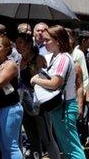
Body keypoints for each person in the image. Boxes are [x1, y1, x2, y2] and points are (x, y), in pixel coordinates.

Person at [32, 26, 86, 159]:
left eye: (47, 40)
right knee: (67, 148)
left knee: (73, 149)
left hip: (65, 108)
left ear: (58, 41)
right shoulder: (57, 58)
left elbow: (55, 83)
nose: (44, 43)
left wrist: (36, 80)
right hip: (61, 108)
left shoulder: (63, 58)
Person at [16, 33, 61, 159]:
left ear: (29, 44)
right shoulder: (19, 60)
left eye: (20, 42)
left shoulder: (39, 58)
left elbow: (42, 79)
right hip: (25, 105)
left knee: (47, 138)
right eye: (17, 43)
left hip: (40, 105)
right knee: (32, 139)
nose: (17, 46)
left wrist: (32, 66)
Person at [0, 35, 24, 159]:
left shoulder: (10, 64)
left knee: (11, 146)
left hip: (10, 108)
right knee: (3, 147)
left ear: (7, 49)